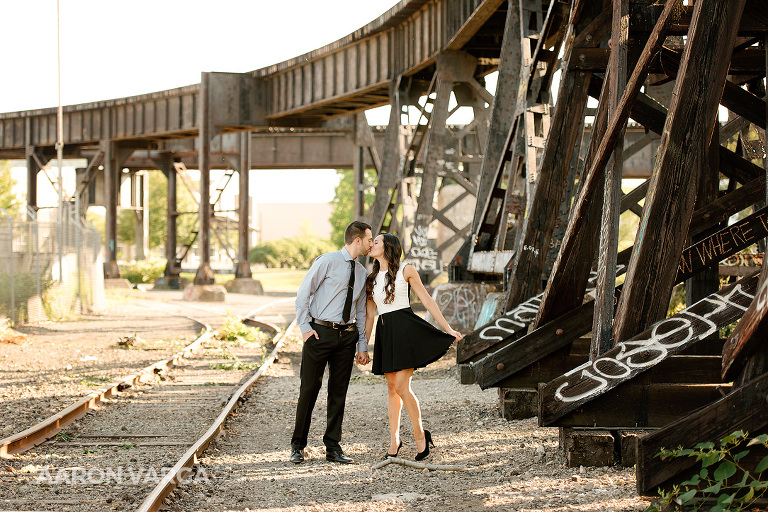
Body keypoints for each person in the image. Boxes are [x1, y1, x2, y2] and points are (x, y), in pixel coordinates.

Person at [364, 233, 463, 461]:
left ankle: (420, 435)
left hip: (406, 330)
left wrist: (447, 328)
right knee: (391, 388)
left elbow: (427, 301)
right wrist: (363, 346)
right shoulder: (371, 280)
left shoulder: (406, 270)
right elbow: (370, 316)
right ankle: (394, 440)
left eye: (376, 242)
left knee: (401, 386)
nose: (372, 245)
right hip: (385, 332)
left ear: (387, 247)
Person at [290, 221, 373, 464]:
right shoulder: (326, 261)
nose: (371, 244)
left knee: (339, 393)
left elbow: (360, 312)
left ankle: (333, 447)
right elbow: (303, 294)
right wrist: (305, 329)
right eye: (369, 240)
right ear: (357, 240)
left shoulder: (361, 273)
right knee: (309, 389)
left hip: (346, 338)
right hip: (320, 333)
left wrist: (361, 345)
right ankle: (298, 446)